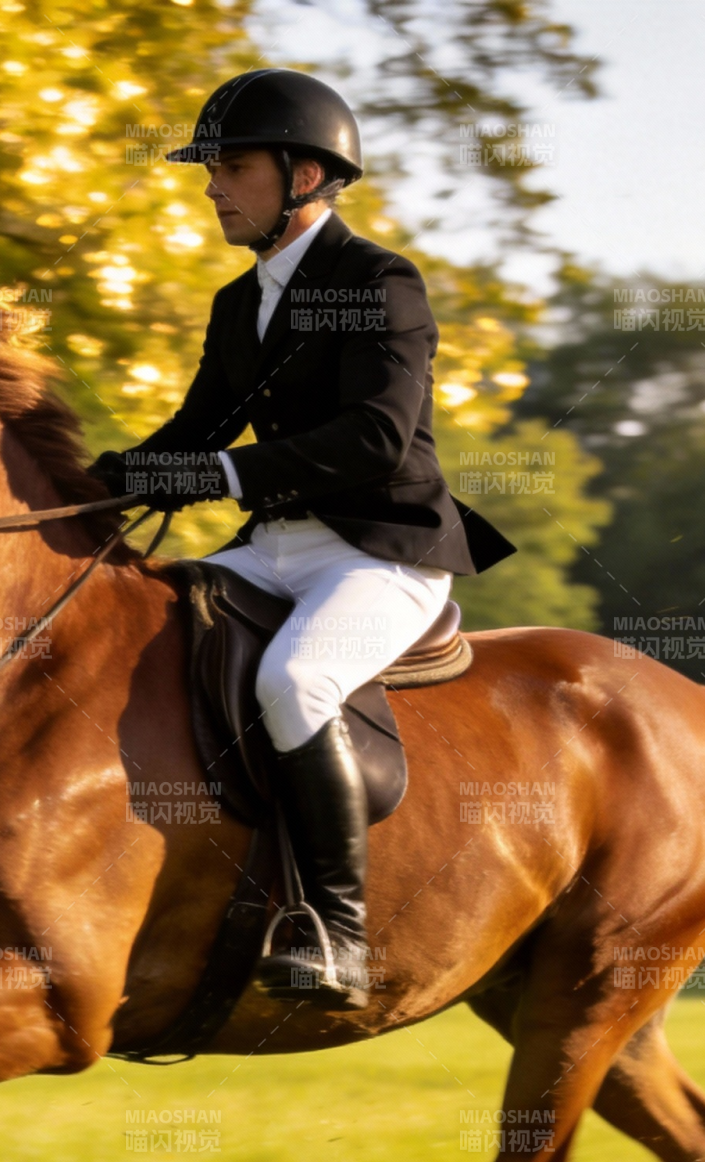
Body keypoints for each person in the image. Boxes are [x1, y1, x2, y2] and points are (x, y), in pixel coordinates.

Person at [88, 68, 514, 1009]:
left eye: (231, 168)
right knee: (129, 637)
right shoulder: (238, 303)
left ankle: (337, 931)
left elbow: (376, 438)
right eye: (212, 170)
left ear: (306, 176)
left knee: (296, 680)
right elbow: (199, 429)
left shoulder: (379, 281)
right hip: (274, 546)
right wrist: (97, 484)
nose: (211, 188)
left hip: (383, 551)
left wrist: (220, 474)